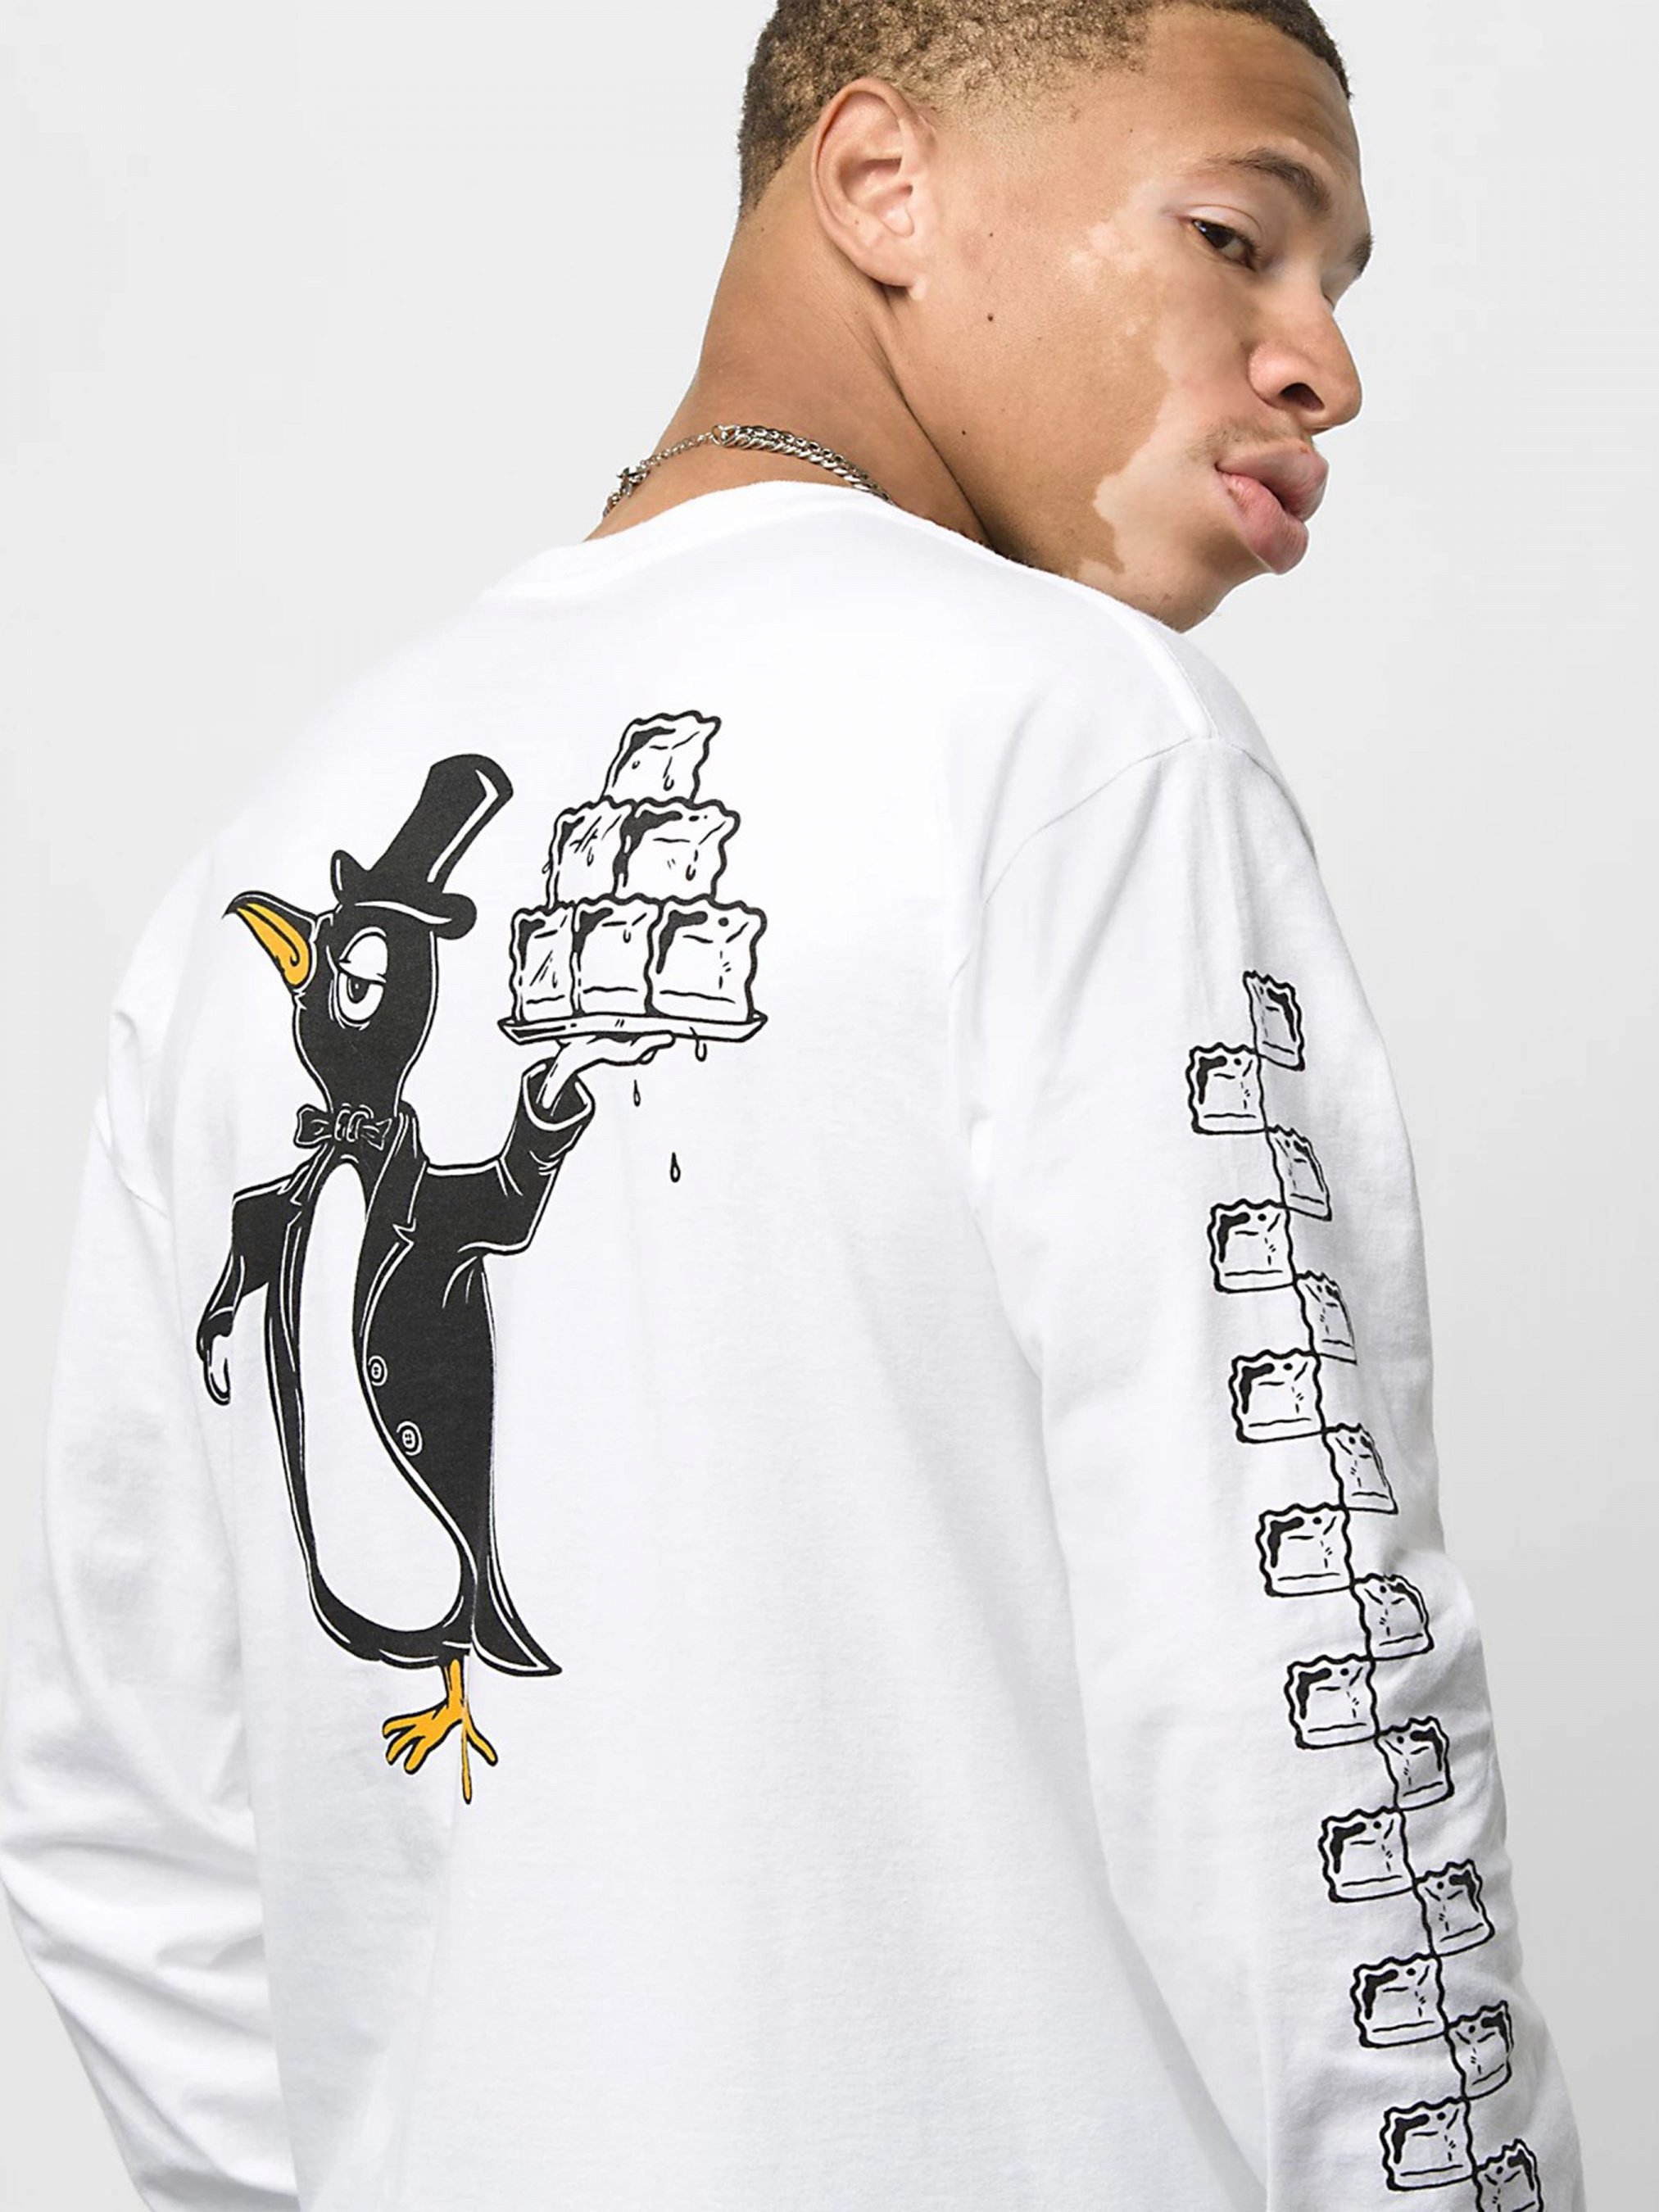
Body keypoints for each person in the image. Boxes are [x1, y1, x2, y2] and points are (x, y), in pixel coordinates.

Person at [0, 3, 1588, 2208]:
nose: (1321, 362)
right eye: (1239, 235)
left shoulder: (262, 849)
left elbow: (121, 1816)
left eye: (1336, 285)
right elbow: (1295, 1695)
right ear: (878, 185)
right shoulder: (1081, 740)